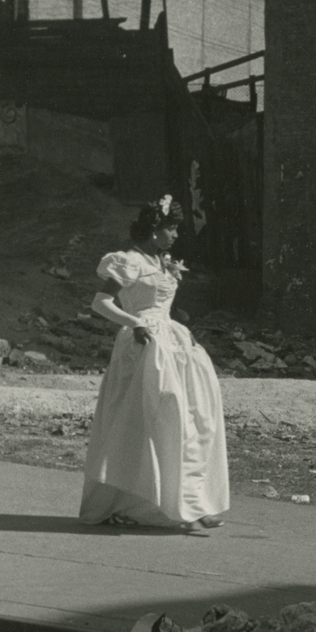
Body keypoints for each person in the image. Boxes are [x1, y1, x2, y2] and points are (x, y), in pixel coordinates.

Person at [79, 196, 229, 534]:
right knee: (155, 418)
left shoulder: (161, 262)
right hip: (143, 343)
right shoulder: (129, 261)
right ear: (153, 229)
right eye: (170, 228)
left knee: (193, 415)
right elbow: (100, 302)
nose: (175, 235)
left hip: (171, 340)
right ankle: (155, 503)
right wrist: (134, 324)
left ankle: (192, 501)